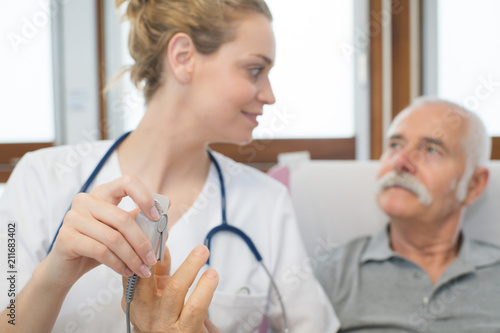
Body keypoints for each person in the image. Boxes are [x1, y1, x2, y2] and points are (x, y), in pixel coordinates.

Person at [0, 0, 339, 332]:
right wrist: (52, 278)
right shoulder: (39, 178)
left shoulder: (267, 202)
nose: (270, 95)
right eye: (255, 70)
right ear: (183, 57)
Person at [315, 97, 500, 332]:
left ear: (474, 185)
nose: (401, 162)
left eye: (431, 149)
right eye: (395, 145)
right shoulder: (330, 275)